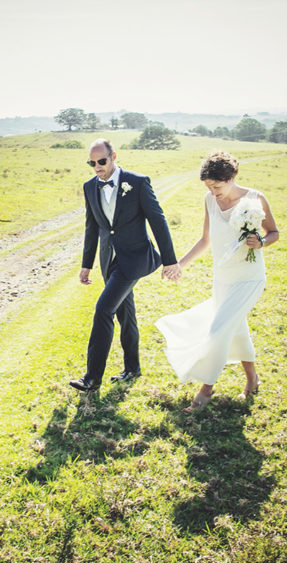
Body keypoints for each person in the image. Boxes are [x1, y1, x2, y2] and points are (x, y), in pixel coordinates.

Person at [155, 150, 279, 412]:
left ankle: (206, 389)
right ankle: (252, 379)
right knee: (236, 328)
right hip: (222, 279)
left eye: (217, 186)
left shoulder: (256, 199)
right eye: (209, 187)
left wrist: (262, 242)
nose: (213, 192)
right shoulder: (210, 201)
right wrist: (179, 265)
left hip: (249, 278)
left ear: (232, 176)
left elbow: (274, 232)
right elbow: (205, 240)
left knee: (218, 331)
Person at [69, 139, 180, 393]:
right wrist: (86, 264)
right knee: (125, 313)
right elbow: (92, 227)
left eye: (101, 161)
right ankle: (133, 368)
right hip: (110, 261)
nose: (97, 167)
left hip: (135, 259)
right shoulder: (89, 187)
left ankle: (92, 378)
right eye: (92, 163)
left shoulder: (138, 182)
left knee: (103, 309)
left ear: (114, 156)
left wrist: (170, 259)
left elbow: (158, 220)